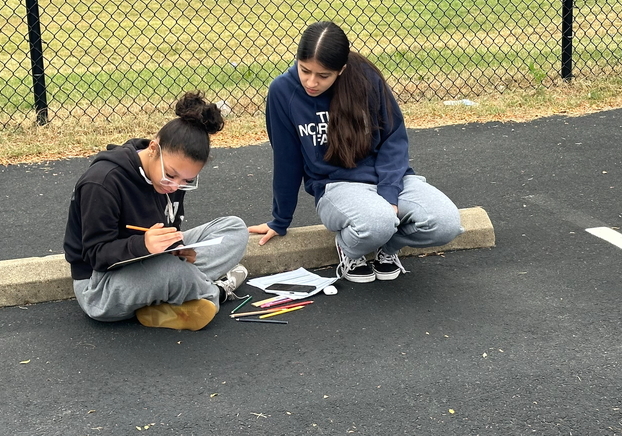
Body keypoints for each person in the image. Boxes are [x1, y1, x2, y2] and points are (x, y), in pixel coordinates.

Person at [248, 21, 463, 282]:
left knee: (446, 223)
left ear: (342, 70)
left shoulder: (366, 78)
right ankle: (349, 248)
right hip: (336, 186)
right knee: (378, 222)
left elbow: (393, 139)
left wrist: (389, 192)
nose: (311, 82)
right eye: (305, 70)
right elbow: (286, 160)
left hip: (390, 180)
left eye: (323, 75)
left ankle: (388, 248)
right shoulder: (282, 91)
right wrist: (279, 220)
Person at [64, 91, 248, 331]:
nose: (174, 186)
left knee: (234, 228)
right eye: (171, 175)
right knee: (171, 273)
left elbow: (171, 230)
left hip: (153, 263)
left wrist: (178, 252)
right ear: (153, 148)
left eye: (186, 180)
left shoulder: (172, 180)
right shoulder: (103, 182)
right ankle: (216, 292)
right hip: (100, 285)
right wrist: (144, 246)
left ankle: (174, 293)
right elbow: (95, 255)